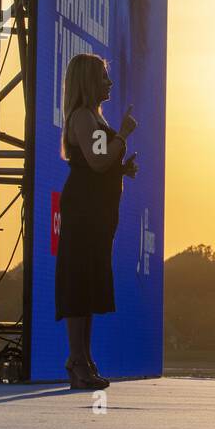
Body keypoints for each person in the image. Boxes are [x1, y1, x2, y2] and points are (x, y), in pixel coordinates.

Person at [55, 53, 138, 390]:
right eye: (104, 77)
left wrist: (122, 166)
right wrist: (124, 135)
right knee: (78, 282)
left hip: (98, 211)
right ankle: (77, 359)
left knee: (88, 284)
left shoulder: (93, 118)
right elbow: (98, 160)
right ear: (89, 81)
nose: (109, 83)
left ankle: (85, 358)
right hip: (84, 211)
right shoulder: (83, 118)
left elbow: (103, 163)